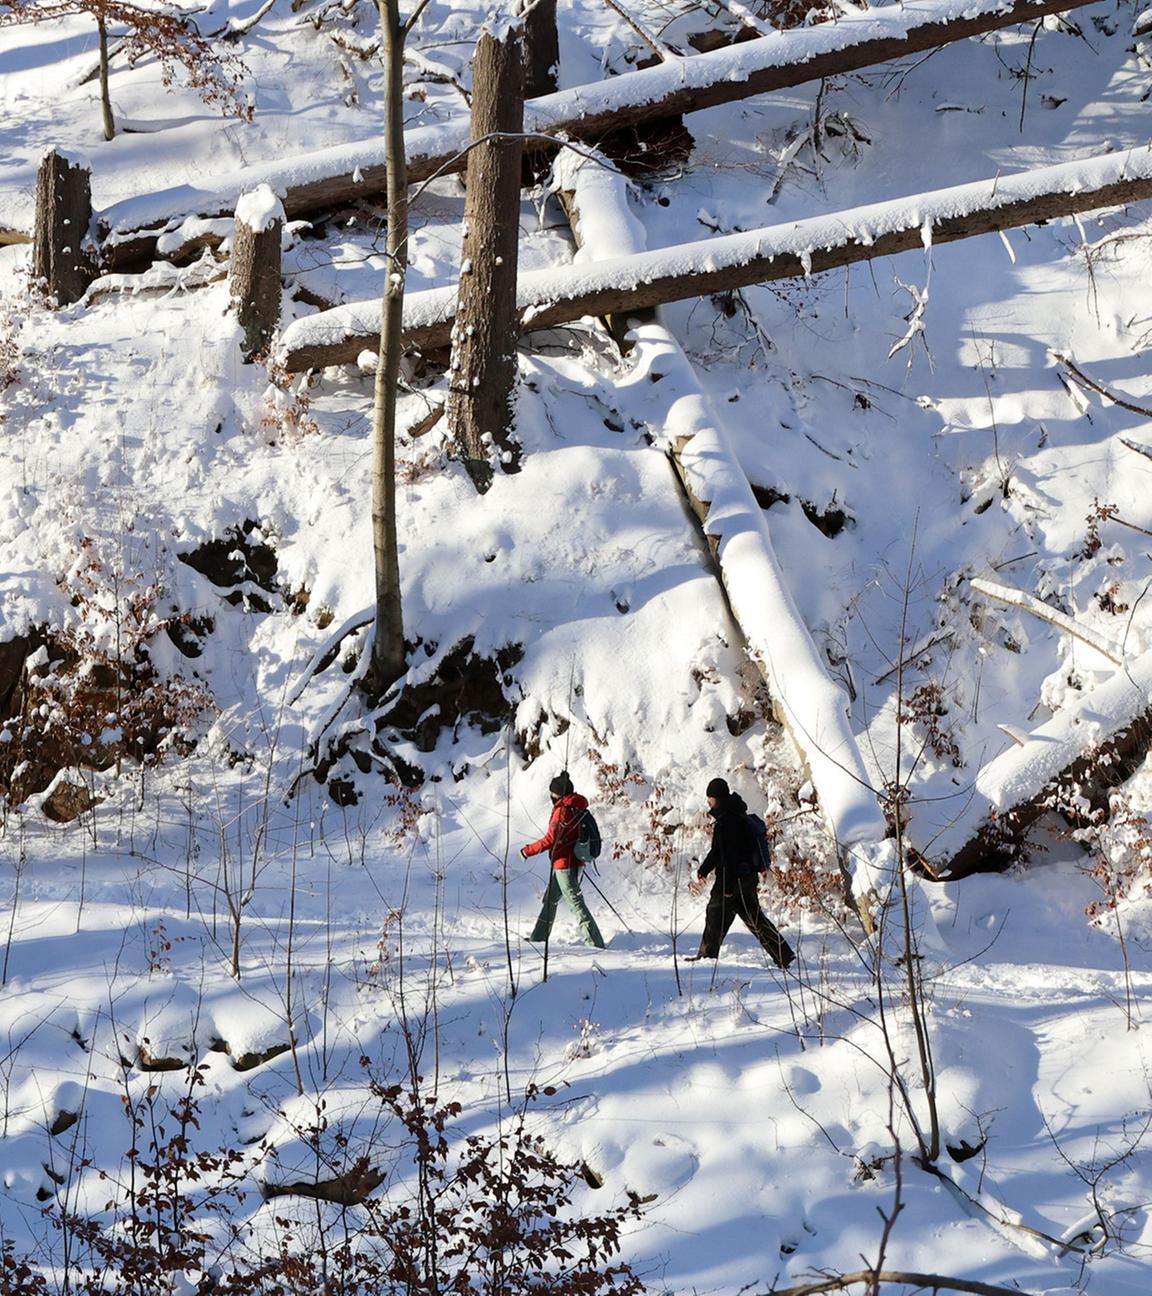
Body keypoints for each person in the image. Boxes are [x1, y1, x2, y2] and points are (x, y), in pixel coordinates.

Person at [686, 777, 793, 968]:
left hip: (732, 879)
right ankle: (784, 955)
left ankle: (707, 957)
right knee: (755, 919)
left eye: (710, 798)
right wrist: (704, 870)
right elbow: (718, 852)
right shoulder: (736, 814)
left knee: (714, 913)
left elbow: (728, 856)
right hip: (747, 877)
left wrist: (727, 887)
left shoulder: (727, 822)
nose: (708, 802)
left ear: (717, 798)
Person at [522, 772, 606, 949]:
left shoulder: (563, 811)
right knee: (550, 899)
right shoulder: (577, 807)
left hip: (565, 864)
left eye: (553, 793)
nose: (551, 796)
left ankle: (596, 944)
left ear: (558, 793)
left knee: (576, 904)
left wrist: (527, 851)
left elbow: (550, 839)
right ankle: (538, 938)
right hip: (573, 862)